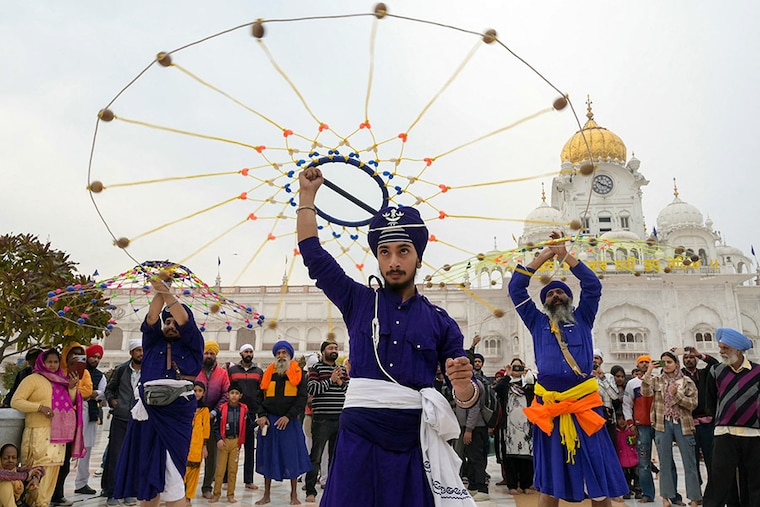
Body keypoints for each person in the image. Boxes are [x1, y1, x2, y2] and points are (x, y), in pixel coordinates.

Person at [297, 167, 480, 506]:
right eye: (385, 252)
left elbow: (466, 393)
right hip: (358, 435)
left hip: (412, 439)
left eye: (403, 251)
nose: (393, 261)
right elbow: (314, 255)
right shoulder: (358, 301)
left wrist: (463, 385)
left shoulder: (441, 322)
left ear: (419, 257)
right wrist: (307, 197)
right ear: (378, 258)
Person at [508, 231, 628, 506]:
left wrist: (564, 255)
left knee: (598, 478)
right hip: (549, 407)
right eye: (550, 294)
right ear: (544, 303)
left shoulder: (583, 317)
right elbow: (515, 289)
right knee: (550, 482)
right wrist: (545, 256)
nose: (555, 295)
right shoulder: (537, 322)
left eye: (561, 291)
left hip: (585, 406)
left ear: (570, 298)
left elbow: (592, 285)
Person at [113, 278, 204, 507]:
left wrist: (167, 293)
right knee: (147, 473)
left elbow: (184, 319)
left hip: (176, 413)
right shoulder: (153, 343)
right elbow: (152, 318)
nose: (171, 325)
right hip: (148, 413)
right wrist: (160, 292)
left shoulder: (193, 344)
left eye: (175, 323)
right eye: (168, 323)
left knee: (172, 473)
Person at [11, 349, 84, 507]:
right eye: (49, 361)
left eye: (55, 362)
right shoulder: (32, 379)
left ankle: (43, 503)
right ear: (42, 362)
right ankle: (34, 503)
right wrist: (39, 408)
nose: (52, 365)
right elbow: (16, 401)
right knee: (36, 471)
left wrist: (71, 387)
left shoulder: (61, 380)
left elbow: (70, 403)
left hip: (58, 435)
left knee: (52, 472)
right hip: (38, 432)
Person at [703, 328, 759, 507]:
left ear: (738, 349)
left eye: (725, 348)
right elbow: (710, 402)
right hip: (724, 433)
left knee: (754, 481)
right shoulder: (716, 371)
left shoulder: (757, 372)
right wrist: (724, 418)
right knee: (718, 481)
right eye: (720, 347)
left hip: (753, 435)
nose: (721, 352)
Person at [254, 341, 311, 506]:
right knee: (268, 456)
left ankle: (294, 495)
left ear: (289, 355)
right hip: (270, 422)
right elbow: (259, 398)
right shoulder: (268, 373)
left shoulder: (299, 374)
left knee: (291, 456)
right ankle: (266, 495)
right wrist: (262, 415)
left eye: (284, 353)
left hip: (289, 422)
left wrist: (288, 416)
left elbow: (301, 399)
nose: (281, 356)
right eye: (278, 353)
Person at [641, 352, 701, 507]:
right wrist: (648, 371)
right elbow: (645, 393)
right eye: (663, 362)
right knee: (665, 462)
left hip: (683, 423)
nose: (666, 365)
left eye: (669, 361)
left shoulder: (687, 381)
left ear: (676, 363)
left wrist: (676, 395)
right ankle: (666, 498)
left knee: (690, 462)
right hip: (662, 423)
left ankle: (694, 498)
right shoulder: (657, 380)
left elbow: (693, 404)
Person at [304, 341, 348, 504]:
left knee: (336, 456)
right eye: (330, 348)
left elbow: (348, 390)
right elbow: (313, 389)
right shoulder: (316, 369)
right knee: (316, 455)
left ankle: (333, 487)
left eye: (336, 348)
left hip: (339, 418)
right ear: (323, 352)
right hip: (321, 419)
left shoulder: (342, 370)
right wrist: (331, 380)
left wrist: (340, 382)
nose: (334, 350)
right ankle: (310, 490)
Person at [51, 342, 92, 507]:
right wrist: (70, 386)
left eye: (80, 354)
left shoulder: (84, 373)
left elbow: (87, 392)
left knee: (65, 460)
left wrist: (73, 386)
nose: (76, 357)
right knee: (52, 459)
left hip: (73, 421)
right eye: (72, 353)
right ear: (66, 355)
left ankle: (58, 494)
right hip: (55, 420)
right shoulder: (57, 372)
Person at [103, 339, 142, 506]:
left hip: (140, 419)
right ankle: (112, 493)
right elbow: (109, 389)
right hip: (120, 419)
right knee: (116, 456)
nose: (141, 353)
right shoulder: (121, 370)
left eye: (143, 350)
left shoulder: (150, 371)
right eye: (138, 350)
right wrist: (113, 401)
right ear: (131, 352)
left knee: (134, 456)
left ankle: (129, 492)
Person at [493, 358, 535, 496]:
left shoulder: (528, 385)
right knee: (510, 458)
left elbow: (538, 392)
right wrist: (507, 375)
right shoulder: (506, 384)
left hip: (526, 427)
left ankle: (526, 484)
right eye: (514, 367)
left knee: (527, 457)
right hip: (509, 428)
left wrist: (529, 375)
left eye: (519, 367)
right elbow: (497, 390)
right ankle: (512, 485)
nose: (517, 370)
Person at [678, 345, 718, 487]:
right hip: (689, 424)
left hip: (707, 423)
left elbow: (715, 363)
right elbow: (666, 371)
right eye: (686, 358)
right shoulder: (680, 376)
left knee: (711, 458)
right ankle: (696, 491)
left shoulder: (705, 373)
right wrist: (672, 356)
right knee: (692, 460)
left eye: (691, 357)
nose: (689, 360)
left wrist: (700, 354)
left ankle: (713, 491)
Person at [226, 344, 263, 491]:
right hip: (234, 412)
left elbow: (261, 393)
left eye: (251, 351)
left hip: (251, 413)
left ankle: (248, 480)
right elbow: (227, 390)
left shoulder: (259, 371)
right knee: (230, 445)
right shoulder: (232, 371)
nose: (248, 354)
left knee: (249, 447)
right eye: (246, 351)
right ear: (241, 353)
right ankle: (225, 479)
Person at [197, 340, 230, 500]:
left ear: (215, 355)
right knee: (191, 453)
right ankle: (185, 485)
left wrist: (214, 412)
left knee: (211, 455)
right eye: (206, 353)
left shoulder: (222, 374)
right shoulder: (195, 369)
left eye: (211, 353)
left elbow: (225, 394)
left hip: (213, 419)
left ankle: (207, 487)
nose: (208, 356)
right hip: (195, 418)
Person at [74, 344, 106, 495]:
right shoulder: (76, 370)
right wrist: (87, 393)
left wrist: (89, 393)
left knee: (86, 448)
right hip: (73, 410)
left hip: (90, 412)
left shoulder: (100, 375)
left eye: (98, 357)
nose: (95, 359)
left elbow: (101, 393)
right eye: (93, 356)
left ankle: (81, 483)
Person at [623, 355, 655, 503]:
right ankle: (647, 493)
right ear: (637, 365)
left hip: (659, 424)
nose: (644, 364)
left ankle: (673, 495)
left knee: (666, 459)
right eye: (641, 362)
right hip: (641, 425)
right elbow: (627, 404)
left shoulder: (658, 380)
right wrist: (630, 423)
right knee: (643, 461)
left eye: (647, 362)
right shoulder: (632, 383)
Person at [453, 373, 489, 502]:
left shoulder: (474, 384)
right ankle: (473, 486)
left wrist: (469, 430)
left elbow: (474, 409)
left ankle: (482, 488)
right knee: (469, 457)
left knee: (476, 458)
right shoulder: (460, 383)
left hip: (475, 427)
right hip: (465, 427)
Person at [211, 382, 247, 504]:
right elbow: (215, 426)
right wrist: (218, 439)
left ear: (240, 395)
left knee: (233, 470)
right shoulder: (222, 409)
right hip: (224, 441)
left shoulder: (244, 409)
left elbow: (247, 425)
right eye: (232, 393)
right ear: (228, 394)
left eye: (237, 393)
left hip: (236, 442)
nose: (234, 396)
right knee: (220, 470)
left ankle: (230, 494)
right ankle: (216, 494)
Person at [184, 381, 210, 505]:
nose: (197, 393)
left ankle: (188, 497)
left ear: (203, 393)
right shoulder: (184, 406)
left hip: (197, 445)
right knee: (183, 470)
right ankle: (180, 496)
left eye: (200, 391)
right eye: (195, 390)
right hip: (184, 443)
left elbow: (206, 429)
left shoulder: (204, 410)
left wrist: (204, 446)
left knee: (194, 472)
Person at [0, 443, 44, 507]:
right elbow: (6, 475)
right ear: (0, 459)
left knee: (34, 483)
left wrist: (35, 478)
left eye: (13, 457)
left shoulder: (17, 470)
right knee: (6, 483)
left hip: (19, 503)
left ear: (17, 460)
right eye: (6, 458)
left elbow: (40, 469)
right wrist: (26, 476)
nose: (10, 460)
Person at [615, 413, 638, 499]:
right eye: (619, 419)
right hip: (622, 459)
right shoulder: (615, 433)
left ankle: (638, 490)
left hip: (634, 458)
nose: (621, 421)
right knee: (625, 476)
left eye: (623, 419)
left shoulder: (631, 431)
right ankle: (626, 490)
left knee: (636, 474)